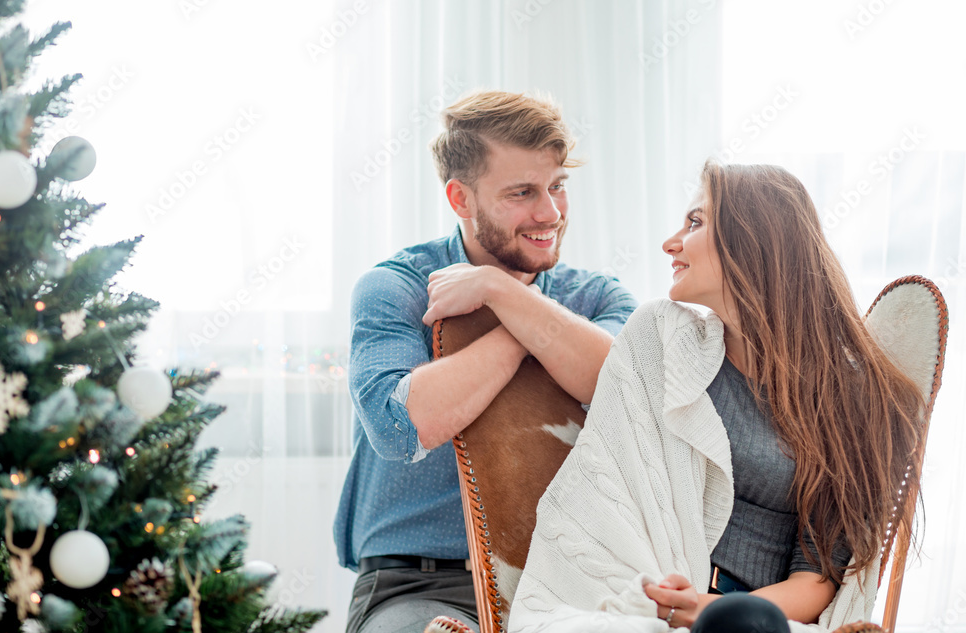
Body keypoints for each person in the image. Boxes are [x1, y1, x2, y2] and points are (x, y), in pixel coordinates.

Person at [509, 161, 923, 633]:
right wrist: (670, 603)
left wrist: (709, 611)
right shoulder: (659, 341)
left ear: (754, 240)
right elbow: (608, 497)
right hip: (646, 598)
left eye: (696, 222)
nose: (671, 243)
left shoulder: (853, 396)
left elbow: (818, 576)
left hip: (757, 617)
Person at [334, 89, 638, 633]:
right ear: (461, 199)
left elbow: (621, 388)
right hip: (419, 585)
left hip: (568, 587)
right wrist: (523, 320)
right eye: (522, 192)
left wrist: (505, 294)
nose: (549, 212)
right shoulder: (395, 287)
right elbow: (401, 426)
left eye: (558, 186)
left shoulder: (600, 299)